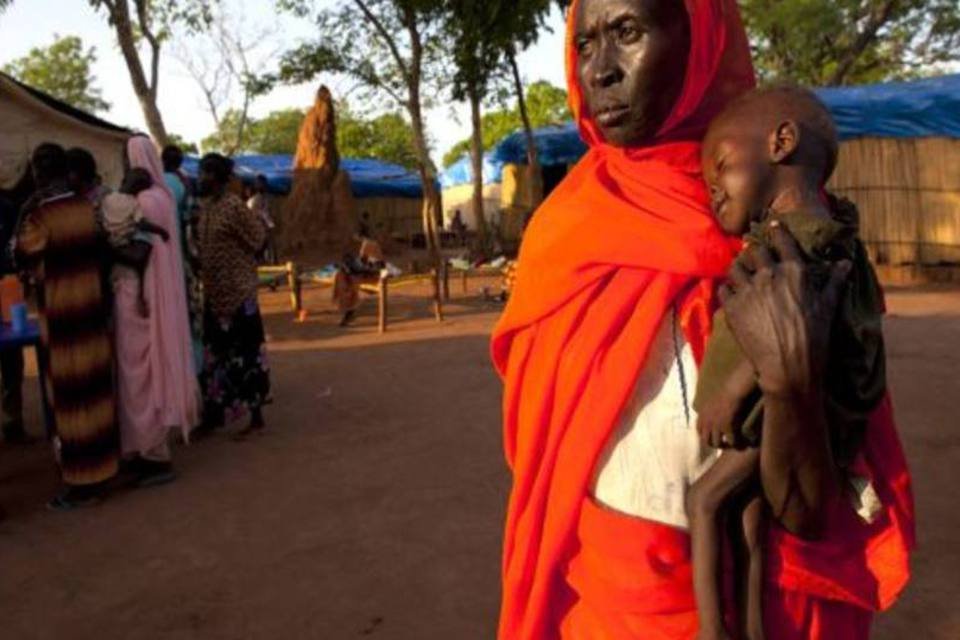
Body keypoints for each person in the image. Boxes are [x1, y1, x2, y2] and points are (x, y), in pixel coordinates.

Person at [491, 1, 914, 639]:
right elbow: (545, 454)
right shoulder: (563, 233)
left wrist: (791, 382)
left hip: (776, 603)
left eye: (627, 33)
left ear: (700, 42)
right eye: (585, 44)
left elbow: (825, 494)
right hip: (607, 595)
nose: (597, 72)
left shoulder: (769, 214)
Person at [686, 87, 887, 640]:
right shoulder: (835, 232)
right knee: (748, 519)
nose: (713, 192)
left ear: (781, 142)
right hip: (802, 417)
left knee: (704, 500)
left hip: (772, 420)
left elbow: (790, 332)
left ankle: (711, 631)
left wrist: (730, 393)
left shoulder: (803, 244)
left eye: (721, 167)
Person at [14, 143, 119, 509]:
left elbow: (20, 253)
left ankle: (81, 481)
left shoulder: (41, 216)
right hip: (91, 310)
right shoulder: (83, 207)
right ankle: (105, 469)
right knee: (96, 390)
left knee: (72, 396)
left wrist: (25, 209)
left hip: (63, 319)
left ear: (40, 173)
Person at [115, 136, 200, 486]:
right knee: (146, 371)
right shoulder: (163, 196)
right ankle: (148, 449)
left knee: (140, 376)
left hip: (141, 298)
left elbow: (140, 254)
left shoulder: (143, 202)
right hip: (150, 296)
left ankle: (152, 453)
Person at [195, 153, 271, 439]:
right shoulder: (206, 208)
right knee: (214, 358)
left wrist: (243, 265)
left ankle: (256, 417)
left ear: (219, 177)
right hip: (215, 296)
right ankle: (215, 417)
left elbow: (259, 237)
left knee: (247, 355)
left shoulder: (234, 207)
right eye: (201, 172)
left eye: (206, 173)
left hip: (239, 294)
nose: (201, 178)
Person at [101, 168, 172, 317]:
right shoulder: (134, 203)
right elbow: (142, 224)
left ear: (123, 181)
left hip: (109, 240)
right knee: (140, 270)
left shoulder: (108, 198)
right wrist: (161, 231)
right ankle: (141, 301)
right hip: (125, 243)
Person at [161, 144, 205, 377]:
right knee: (191, 316)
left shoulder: (158, 185)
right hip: (188, 259)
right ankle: (196, 369)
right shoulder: (187, 183)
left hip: (166, 260)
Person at [333, 231, 385, 327]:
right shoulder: (365, 244)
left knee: (348, 280)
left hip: (372, 273)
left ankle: (349, 311)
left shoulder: (368, 244)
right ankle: (348, 309)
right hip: (366, 271)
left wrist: (354, 267)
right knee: (342, 275)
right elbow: (361, 262)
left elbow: (370, 264)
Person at [247, 174, 276, 264]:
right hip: (257, 227)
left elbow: (266, 213)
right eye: (259, 183)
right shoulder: (253, 200)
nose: (261, 185)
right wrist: (269, 224)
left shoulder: (266, 198)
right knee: (259, 247)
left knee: (265, 246)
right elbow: (261, 213)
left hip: (262, 227)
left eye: (263, 183)